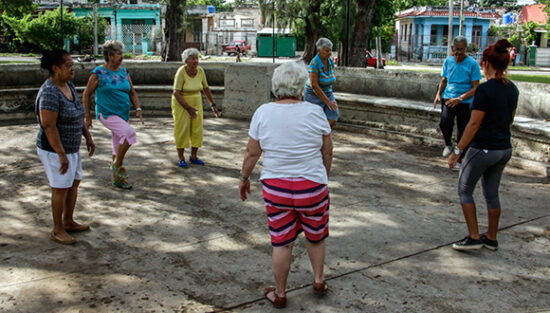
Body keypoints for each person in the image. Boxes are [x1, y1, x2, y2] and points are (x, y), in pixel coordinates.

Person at [239, 61, 333, 308]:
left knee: (282, 241)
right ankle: (319, 280)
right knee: (315, 236)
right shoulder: (315, 112)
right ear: (302, 88)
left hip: (276, 189)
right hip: (312, 187)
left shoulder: (263, 112)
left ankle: (280, 294)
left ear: (275, 87)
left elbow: (251, 153)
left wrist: (244, 178)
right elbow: (327, 151)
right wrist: (323, 178)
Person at [448, 39, 519, 251]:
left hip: (483, 148)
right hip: (503, 148)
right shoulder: (512, 89)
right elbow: (510, 120)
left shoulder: (485, 90)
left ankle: (474, 236)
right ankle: (491, 237)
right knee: (491, 193)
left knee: (465, 189)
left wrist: (458, 151)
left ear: (486, 63)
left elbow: (474, 123)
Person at [36, 49, 95, 244]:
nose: (72, 69)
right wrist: (60, 154)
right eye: (68, 65)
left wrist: (87, 136)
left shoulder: (68, 85)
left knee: (74, 183)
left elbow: (78, 115)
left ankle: (68, 221)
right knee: (60, 188)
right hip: (55, 149)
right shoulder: (49, 93)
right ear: (55, 68)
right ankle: (57, 229)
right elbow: (49, 126)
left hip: (72, 147)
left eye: (72, 65)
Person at [82, 40, 144, 189]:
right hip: (107, 114)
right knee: (129, 134)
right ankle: (116, 165)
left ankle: (118, 179)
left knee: (117, 146)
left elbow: (132, 92)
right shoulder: (99, 73)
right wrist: (88, 117)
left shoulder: (124, 72)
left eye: (121, 54)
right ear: (110, 56)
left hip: (123, 114)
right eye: (119, 54)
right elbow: (86, 94)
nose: (122, 57)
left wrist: (138, 108)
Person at [434, 36, 482, 166]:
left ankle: (460, 156)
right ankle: (448, 144)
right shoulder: (448, 62)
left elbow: (476, 87)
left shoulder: (472, 64)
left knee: (463, 128)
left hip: (465, 101)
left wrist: (460, 98)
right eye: (456, 49)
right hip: (448, 97)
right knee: (445, 123)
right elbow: (444, 80)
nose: (459, 52)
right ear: (452, 48)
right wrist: (439, 93)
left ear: (466, 49)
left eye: (461, 49)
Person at [171, 48, 219, 168]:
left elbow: (206, 88)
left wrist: (212, 104)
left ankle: (193, 156)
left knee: (197, 129)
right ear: (186, 60)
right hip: (182, 103)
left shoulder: (201, 71)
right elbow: (176, 92)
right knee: (182, 130)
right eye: (192, 58)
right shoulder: (181, 72)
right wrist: (188, 108)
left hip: (196, 102)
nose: (195, 61)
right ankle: (181, 158)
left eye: (197, 58)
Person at [304, 37, 338, 128]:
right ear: (319, 50)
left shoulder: (330, 61)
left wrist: (329, 100)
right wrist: (328, 102)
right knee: (313, 120)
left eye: (330, 51)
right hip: (313, 96)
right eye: (327, 51)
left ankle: (323, 135)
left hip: (328, 92)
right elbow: (314, 85)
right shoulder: (314, 63)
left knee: (333, 115)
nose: (329, 53)